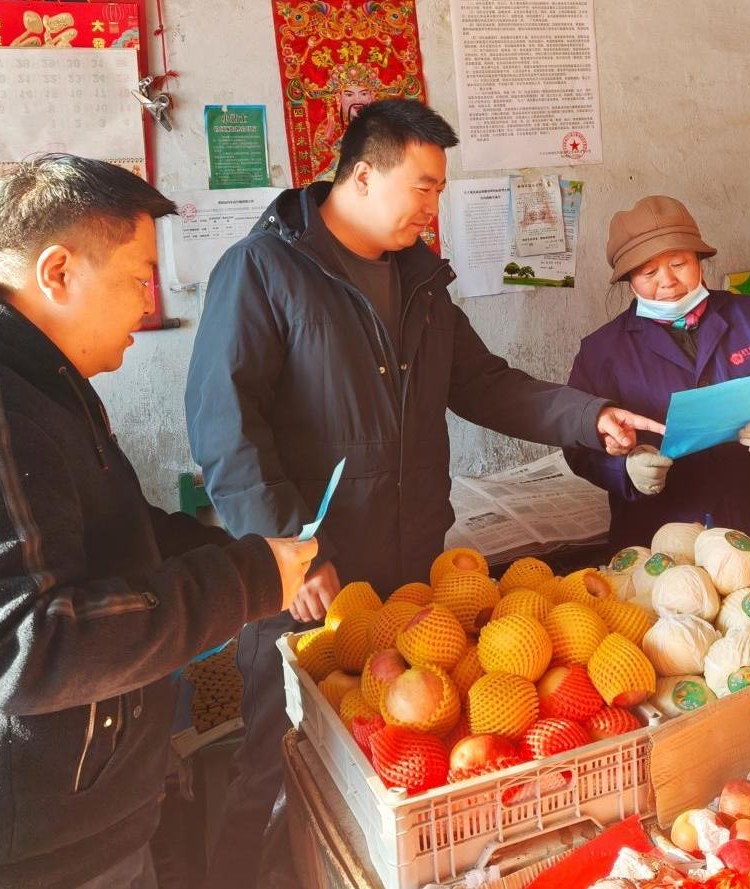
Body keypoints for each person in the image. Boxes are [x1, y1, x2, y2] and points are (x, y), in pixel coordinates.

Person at [185, 99, 662, 888]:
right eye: (423, 187)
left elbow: (482, 383)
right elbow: (225, 430)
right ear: (362, 176)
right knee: (281, 762)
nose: (431, 207)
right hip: (309, 580)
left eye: (439, 189)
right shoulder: (264, 271)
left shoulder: (419, 282)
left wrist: (588, 416)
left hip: (409, 578)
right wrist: (289, 553)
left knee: (393, 765)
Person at [0, 154, 317, 889]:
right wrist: (243, 581)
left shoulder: (31, 385)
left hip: (56, 839)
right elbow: (21, 646)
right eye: (138, 277)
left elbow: (101, 532)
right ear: (56, 272)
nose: (148, 303)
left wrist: (244, 557)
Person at [564, 194, 750, 547]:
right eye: (648, 272)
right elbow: (577, 441)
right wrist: (624, 469)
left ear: (699, 261)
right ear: (629, 280)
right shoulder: (602, 351)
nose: (667, 281)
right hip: (660, 533)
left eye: (678, 263)